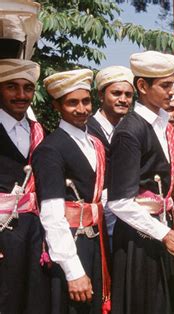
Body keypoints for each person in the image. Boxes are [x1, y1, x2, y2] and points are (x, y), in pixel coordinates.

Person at [107, 51, 174, 314]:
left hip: (161, 230)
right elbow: (119, 202)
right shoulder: (129, 131)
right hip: (138, 239)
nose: (172, 92)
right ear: (142, 86)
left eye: (173, 84)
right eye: (165, 86)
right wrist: (165, 234)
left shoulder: (162, 123)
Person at [34, 69, 111, 313]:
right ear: (57, 106)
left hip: (97, 241)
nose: (81, 109)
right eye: (72, 103)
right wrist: (73, 270)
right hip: (71, 245)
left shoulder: (95, 143)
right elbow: (51, 214)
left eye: (86, 101)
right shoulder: (51, 149)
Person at [0, 59, 50, 314]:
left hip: (34, 232)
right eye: (12, 87)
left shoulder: (37, 130)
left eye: (28, 88)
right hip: (2, 233)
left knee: (34, 299)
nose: (21, 95)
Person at [88, 65, 134, 239]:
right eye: (116, 93)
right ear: (101, 95)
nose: (123, 99)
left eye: (128, 95)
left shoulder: (132, 130)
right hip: (96, 216)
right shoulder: (86, 130)